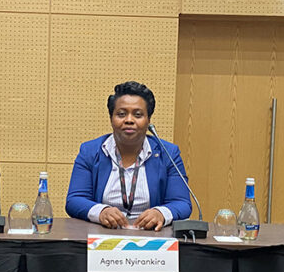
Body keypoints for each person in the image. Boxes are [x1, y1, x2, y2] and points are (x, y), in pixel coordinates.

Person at [66, 81, 192, 231]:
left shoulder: (169, 153)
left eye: (138, 115)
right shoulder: (90, 151)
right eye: (121, 114)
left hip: (153, 237)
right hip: (103, 234)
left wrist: (161, 213)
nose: (129, 120)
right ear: (111, 119)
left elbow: (182, 203)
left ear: (148, 120)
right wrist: (101, 211)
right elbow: (74, 200)